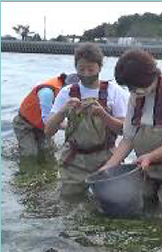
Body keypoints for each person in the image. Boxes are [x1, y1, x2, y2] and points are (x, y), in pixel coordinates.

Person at [99, 50, 162, 214]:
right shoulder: (135, 95)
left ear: (149, 76)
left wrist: (151, 157)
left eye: (135, 87)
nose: (133, 92)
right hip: (147, 170)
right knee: (141, 212)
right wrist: (108, 168)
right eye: (129, 88)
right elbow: (128, 138)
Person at [45, 43, 129, 196]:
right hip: (74, 160)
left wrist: (104, 115)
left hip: (106, 157)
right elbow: (48, 130)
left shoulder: (114, 92)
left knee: (107, 202)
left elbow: (124, 131)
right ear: (76, 68)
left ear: (100, 67)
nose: (86, 73)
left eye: (91, 69)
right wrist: (63, 111)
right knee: (70, 202)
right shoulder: (67, 92)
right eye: (81, 69)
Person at [13, 73, 79, 160]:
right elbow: (48, 122)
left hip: (42, 128)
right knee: (30, 155)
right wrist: (72, 126)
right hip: (25, 124)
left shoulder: (70, 94)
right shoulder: (47, 92)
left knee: (49, 151)